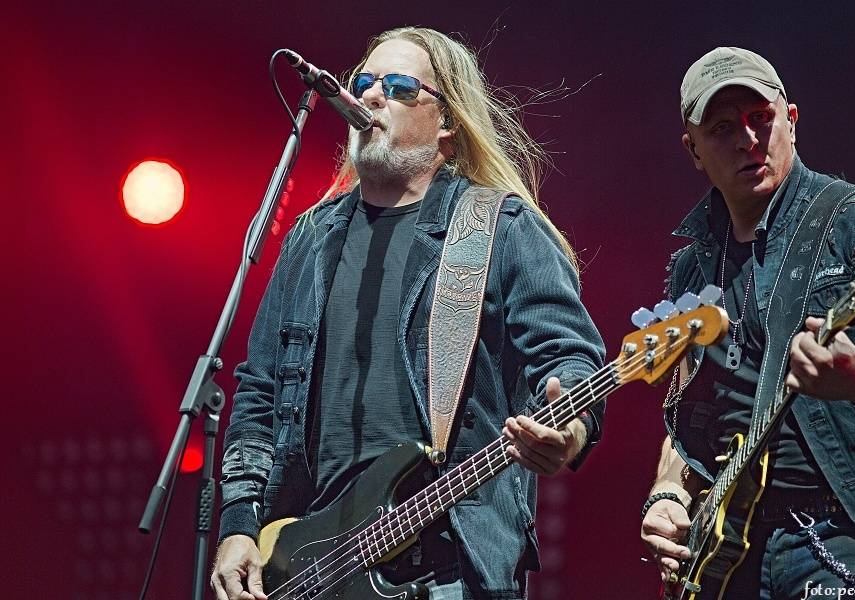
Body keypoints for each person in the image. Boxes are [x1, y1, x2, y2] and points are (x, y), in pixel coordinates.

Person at [210, 27, 606, 600]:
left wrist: (567, 429)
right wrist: (240, 526)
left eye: (397, 87)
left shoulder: (499, 229)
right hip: (308, 563)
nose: (371, 97)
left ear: (446, 121)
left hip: (445, 565)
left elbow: (571, 357)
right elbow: (260, 389)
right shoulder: (312, 238)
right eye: (363, 83)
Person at [640, 47, 855, 599]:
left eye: (762, 118)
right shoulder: (691, 267)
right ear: (693, 149)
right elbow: (690, 412)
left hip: (848, 538)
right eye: (723, 126)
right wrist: (666, 493)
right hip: (728, 549)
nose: (747, 138)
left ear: (792, 121)